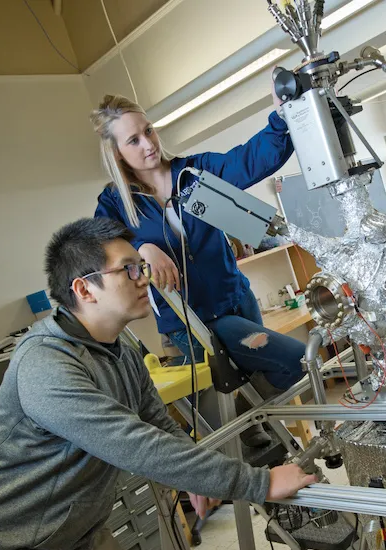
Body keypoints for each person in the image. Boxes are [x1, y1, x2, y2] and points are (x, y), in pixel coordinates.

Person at [0, 218, 316, 550]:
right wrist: (257, 482)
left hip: (82, 542)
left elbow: (155, 421)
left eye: (142, 265)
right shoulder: (46, 366)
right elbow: (133, 444)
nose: (145, 277)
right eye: (129, 269)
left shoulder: (120, 348)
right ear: (84, 288)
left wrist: (193, 478)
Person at [92, 92, 306, 448]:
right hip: (190, 323)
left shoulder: (194, 173)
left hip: (237, 300)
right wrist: (141, 248)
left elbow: (252, 160)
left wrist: (281, 118)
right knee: (293, 363)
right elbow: (100, 252)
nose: (148, 143)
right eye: (133, 139)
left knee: (257, 403)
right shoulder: (115, 202)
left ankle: (251, 421)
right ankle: (249, 428)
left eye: (149, 131)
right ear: (117, 153)